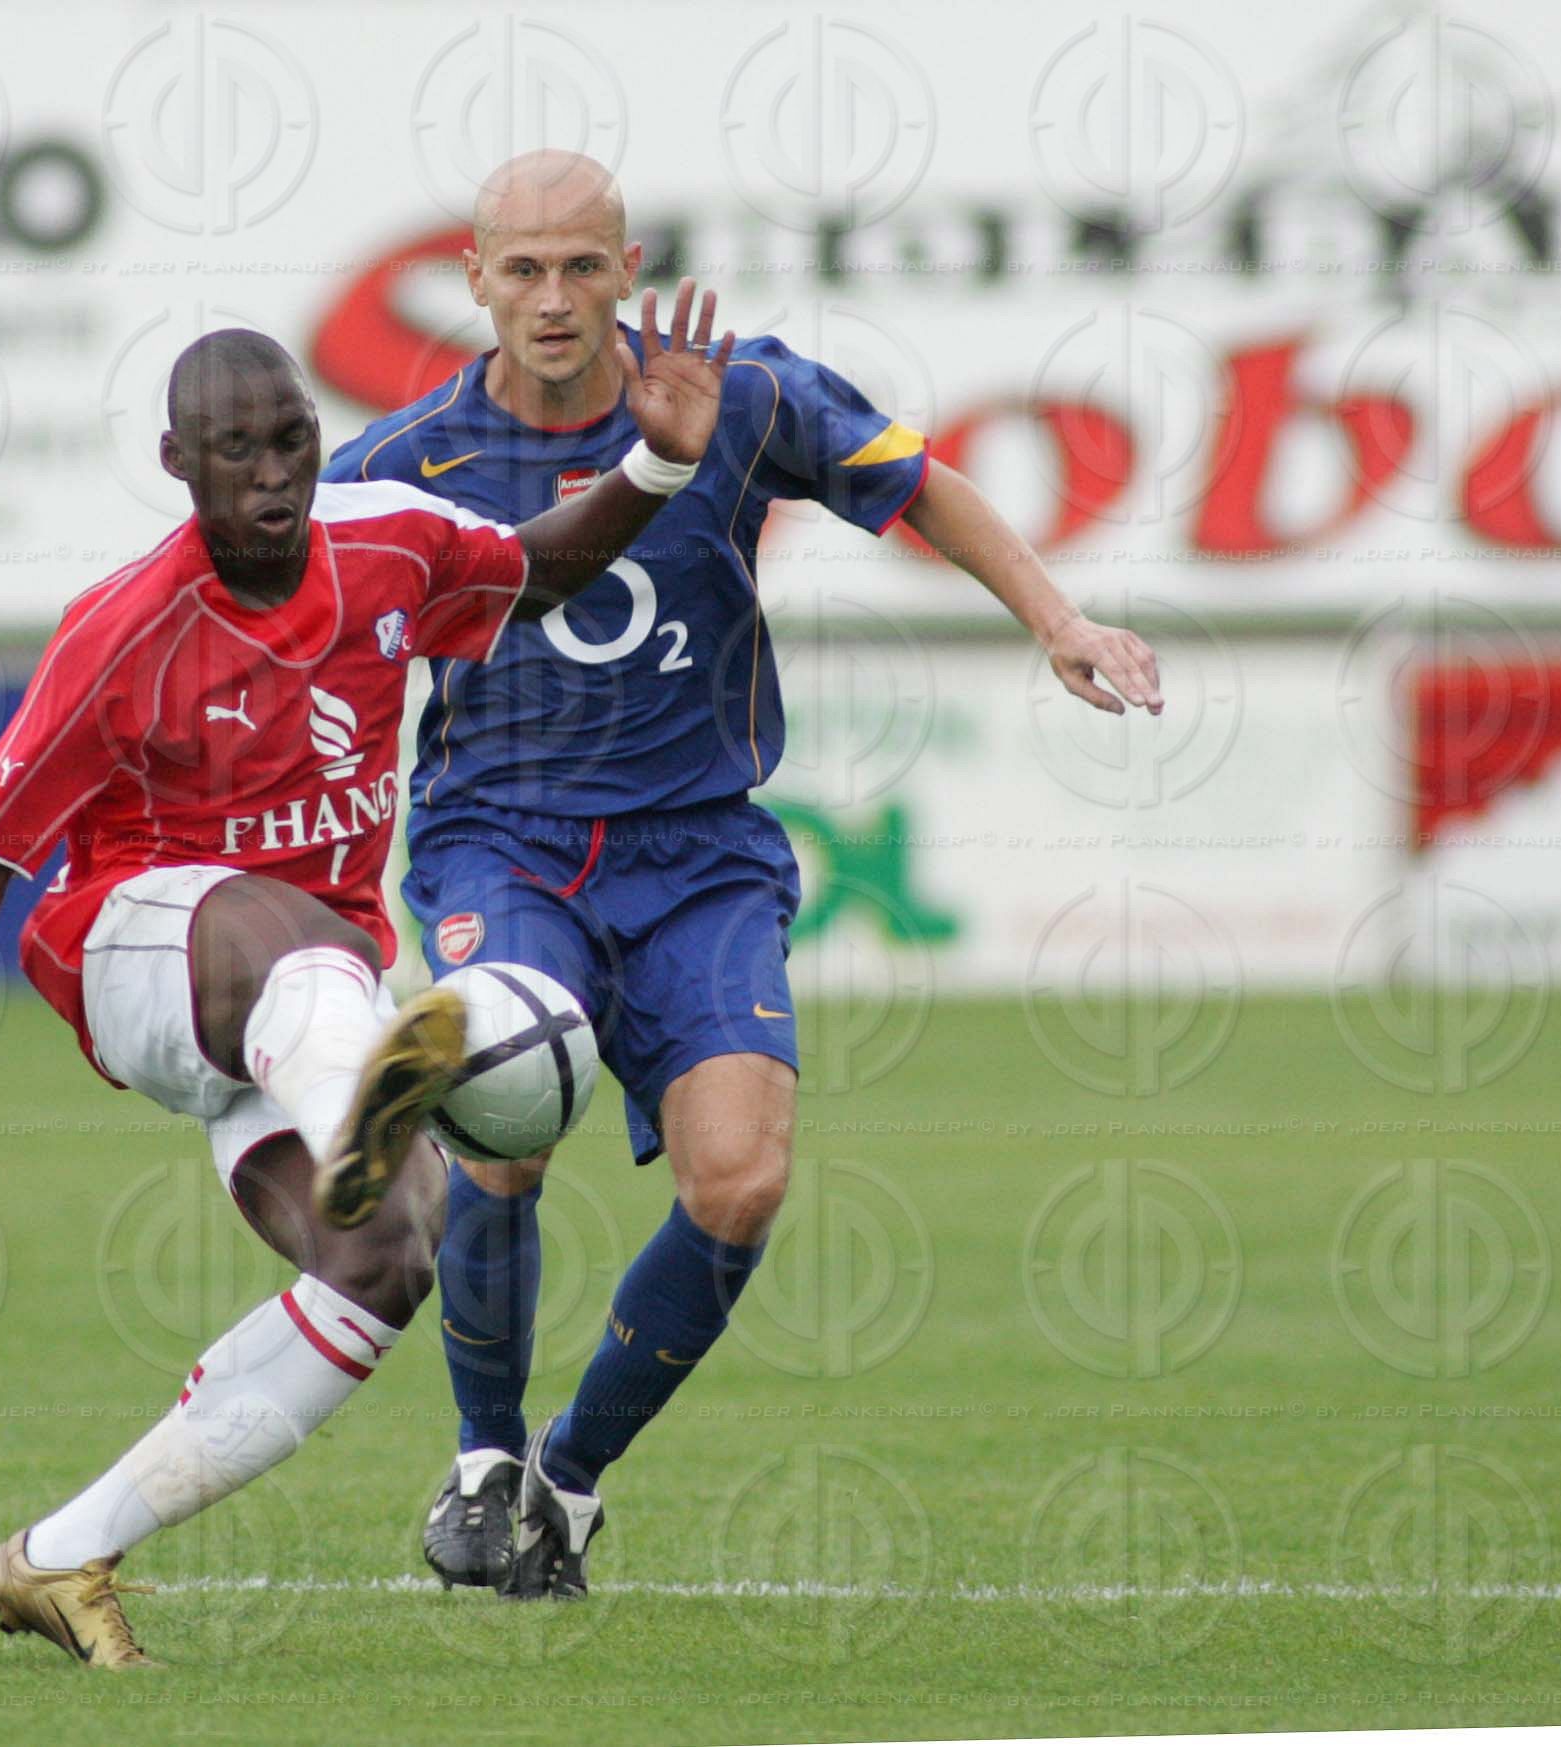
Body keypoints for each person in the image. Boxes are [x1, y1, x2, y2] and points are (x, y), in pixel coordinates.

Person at [0, 301, 734, 1666]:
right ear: (177, 463)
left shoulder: (392, 542)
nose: (274, 472)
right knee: (292, 939)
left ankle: (61, 1554)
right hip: (143, 949)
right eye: (236, 450)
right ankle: (371, 1107)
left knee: (386, 1257)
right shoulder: (122, 629)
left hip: (308, 998)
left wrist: (656, 466)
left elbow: (532, 573)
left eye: (292, 440)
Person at [323, 151, 1165, 1600]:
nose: (553, 297)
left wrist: (1059, 621)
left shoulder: (743, 395)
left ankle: (567, 1481)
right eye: (522, 269)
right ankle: (481, 1460)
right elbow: (296, 641)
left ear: (629, 269)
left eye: (582, 266)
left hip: (698, 854)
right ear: (473, 280)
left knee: (742, 1181)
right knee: (507, 1129)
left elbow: (922, 485)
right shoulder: (400, 466)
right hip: (503, 841)